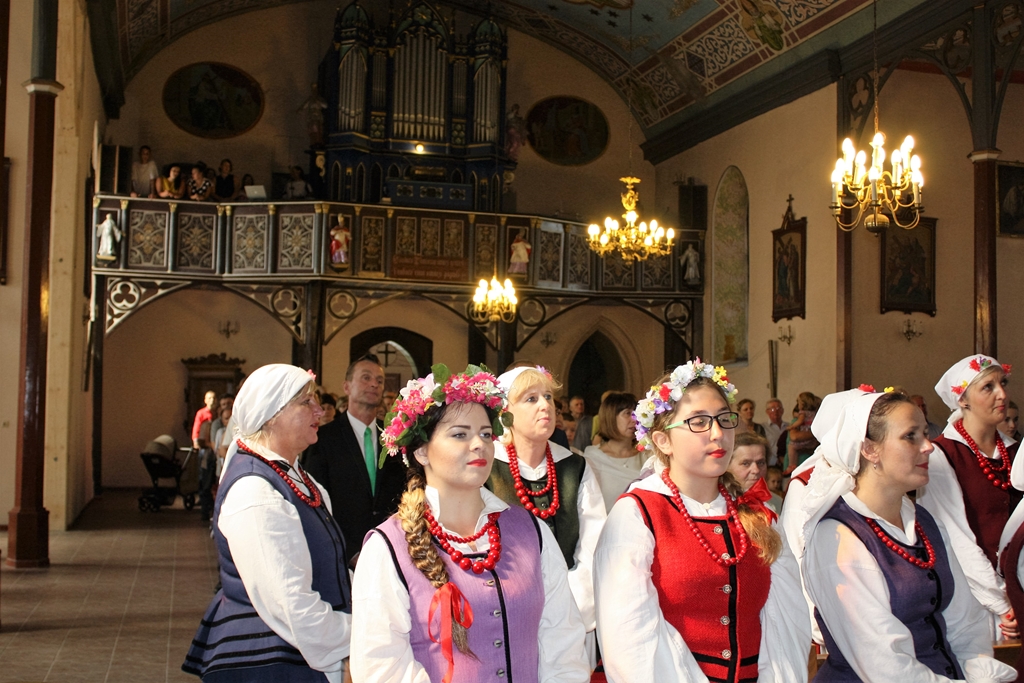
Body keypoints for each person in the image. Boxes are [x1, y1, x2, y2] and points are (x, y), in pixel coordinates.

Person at [350, 365, 590, 682]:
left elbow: (563, 642)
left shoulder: (531, 531)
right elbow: (381, 667)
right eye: (460, 434)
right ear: (422, 451)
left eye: (486, 434)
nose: (479, 444)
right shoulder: (387, 547)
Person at [594, 359, 809, 682]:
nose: (718, 433)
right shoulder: (638, 513)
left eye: (724, 418)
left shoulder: (757, 513)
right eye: (698, 422)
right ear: (663, 440)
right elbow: (631, 641)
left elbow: (787, 623)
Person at [799, 389, 1015, 682]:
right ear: (869, 449)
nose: (928, 446)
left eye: (925, 433)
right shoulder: (837, 536)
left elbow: (967, 623)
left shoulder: (925, 522)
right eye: (910, 436)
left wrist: (979, 674)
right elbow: (883, 663)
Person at [182, 364, 352, 682]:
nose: (319, 410)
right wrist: (365, 632)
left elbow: (328, 567)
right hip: (267, 661)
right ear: (271, 415)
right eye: (306, 402)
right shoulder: (255, 490)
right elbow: (290, 605)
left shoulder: (293, 475)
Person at [485, 365, 606, 664]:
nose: (545, 406)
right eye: (531, 398)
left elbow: (594, 545)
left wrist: (570, 607)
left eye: (549, 397)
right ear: (505, 413)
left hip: (573, 613)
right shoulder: (486, 467)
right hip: (504, 613)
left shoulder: (575, 467)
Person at [918, 355, 1020, 639]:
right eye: (988, 387)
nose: (1002, 394)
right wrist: (1004, 603)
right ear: (962, 400)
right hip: (975, 599)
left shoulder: (1015, 453)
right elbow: (954, 538)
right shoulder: (941, 456)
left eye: (1003, 383)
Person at [303, 354, 406, 566]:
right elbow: (315, 502)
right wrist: (350, 552)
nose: (374, 384)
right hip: (341, 555)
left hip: (391, 551)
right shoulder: (323, 439)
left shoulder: (394, 437)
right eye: (366, 378)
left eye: (379, 380)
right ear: (347, 387)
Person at [582, 391, 642, 513]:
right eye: (627, 413)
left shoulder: (647, 456)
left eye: (636, 413)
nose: (634, 419)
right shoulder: (593, 458)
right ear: (611, 418)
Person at [728, 431, 782, 513]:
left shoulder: (778, 503)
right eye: (745, 463)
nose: (756, 470)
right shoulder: (716, 504)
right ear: (727, 466)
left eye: (761, 463)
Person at [786, 391, 820, 472]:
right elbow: (794, 437)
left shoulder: (809, 417)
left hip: (809, 464)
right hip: (800, 462)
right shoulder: (807, 417)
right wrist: (814, 434)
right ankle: (792, 466)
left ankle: (791, 465)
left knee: (792, 447)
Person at [764, 398, 786, 465]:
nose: (776, 411)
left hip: (787, 463)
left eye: (778, 408)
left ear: (782, 411)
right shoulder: (763, 427)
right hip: (771, 464)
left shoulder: (789, 427)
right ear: (767, 412)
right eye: (772, 409)